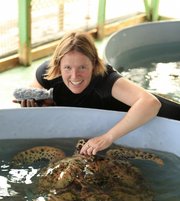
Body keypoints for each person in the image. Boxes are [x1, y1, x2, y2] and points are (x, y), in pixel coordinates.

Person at [14, 31, 163, 156]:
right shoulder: (47, 73)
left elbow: (151, 103)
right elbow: (34, 96)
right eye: (67, 68)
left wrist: (108, 137)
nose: (74, 75)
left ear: (93, 63)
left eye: (82, 67)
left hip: (131, 128)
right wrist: (35, 105)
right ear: (59, 65)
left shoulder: (105, 78)